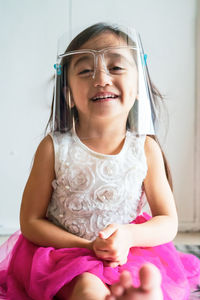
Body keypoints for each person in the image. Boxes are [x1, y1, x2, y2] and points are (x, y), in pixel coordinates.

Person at [0, 22, 200, 300]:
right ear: (67, 91)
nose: (101, 78)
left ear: (139, 83)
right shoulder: (53, 148)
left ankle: (137, 293)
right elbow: (31, 220)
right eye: (85, 70)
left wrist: (129, 237)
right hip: (67, 255)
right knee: (86, 288)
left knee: (144, 281)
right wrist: (85, 245)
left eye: (116, 67)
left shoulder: (145, 148)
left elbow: (167, 221)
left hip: (127, 253)